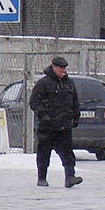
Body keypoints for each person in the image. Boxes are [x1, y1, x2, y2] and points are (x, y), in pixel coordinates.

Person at [29, 55, 83, 188]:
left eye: (65, 68)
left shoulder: (69, 83)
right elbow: (34, 101)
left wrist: (76, 116)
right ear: (54, 67)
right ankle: (42, 178)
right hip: (47, 126)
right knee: (44, 152)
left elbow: (74, 101)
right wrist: (43, 115)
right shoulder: (44, 83)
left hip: (64, 125)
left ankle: (70, 177)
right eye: (61, 68)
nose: (63, 71)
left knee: (68, 153)